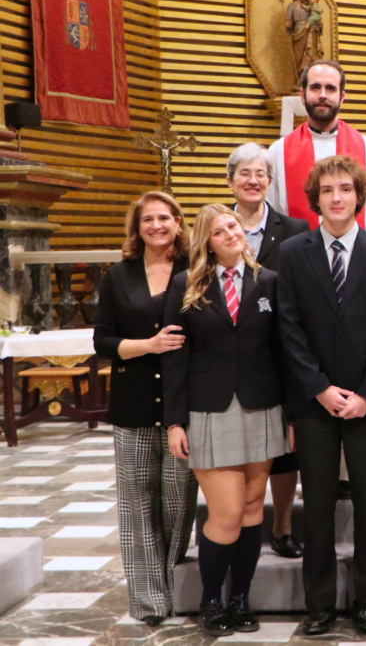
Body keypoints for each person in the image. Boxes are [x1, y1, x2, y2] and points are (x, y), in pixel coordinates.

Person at [277, 155, 366, 636]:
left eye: (345, 190)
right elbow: (288, 327)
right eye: (327, 190)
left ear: (358, 197)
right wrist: (320, 388)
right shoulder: (294, 252)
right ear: (316, 200)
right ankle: (319, 604)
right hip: (315, 403)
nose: (336, 198)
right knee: (319, 507)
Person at [162, 205, 288, 637]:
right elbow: (175, 359)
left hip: (263, 405)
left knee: (253, 509)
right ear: (207, 242)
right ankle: (211, 600)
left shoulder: (268, 280)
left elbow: (283, 353)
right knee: (228, 511)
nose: (231, 233)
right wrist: (174, 422)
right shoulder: (187, 286)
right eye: (219, 231)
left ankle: (240, 599)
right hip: (209, 409)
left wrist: (290, 414)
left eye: (233, 225)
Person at [93, 192, 196, 626]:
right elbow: (103, 342)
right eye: (147, 220)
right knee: (138, 506)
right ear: (136, 229)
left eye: (164, 217)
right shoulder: (118, 276)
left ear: (177, 222)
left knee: (177, 503)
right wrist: (149, 346)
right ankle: (149, 600)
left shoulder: (195, 273)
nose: (156, 225)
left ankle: (177, 588)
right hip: (132, 406)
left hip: (183, 409)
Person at [228, 142, 310, 560]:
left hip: (282, 350)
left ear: (270, 182)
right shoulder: (217, 227)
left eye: (261, 174)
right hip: (232, 355)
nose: (254, 180)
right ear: (230, 181)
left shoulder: (294, 230)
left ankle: (281, 525)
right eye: (245, 173)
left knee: (284, 444)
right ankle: (241, 521)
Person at [265, 60, 366, 237]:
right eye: (315, 87)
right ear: (303, 95)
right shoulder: (278, 152)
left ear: (342, 97)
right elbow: (271, 216)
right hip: (299, 259)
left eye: (331, 89)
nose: (323, 95)